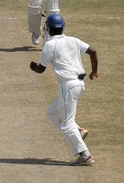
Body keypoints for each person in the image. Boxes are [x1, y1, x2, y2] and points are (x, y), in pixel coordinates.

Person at [30, 14, 98, 165]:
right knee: (52, 112)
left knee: (67, 125)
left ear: (47, 28)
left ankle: (85, 155)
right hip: (79, 85)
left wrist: (33, 66)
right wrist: (94, 71)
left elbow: (40, 70)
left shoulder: (49, 45)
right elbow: (93, 51)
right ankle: (78, 131)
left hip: (68, 86)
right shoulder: (73, 40)